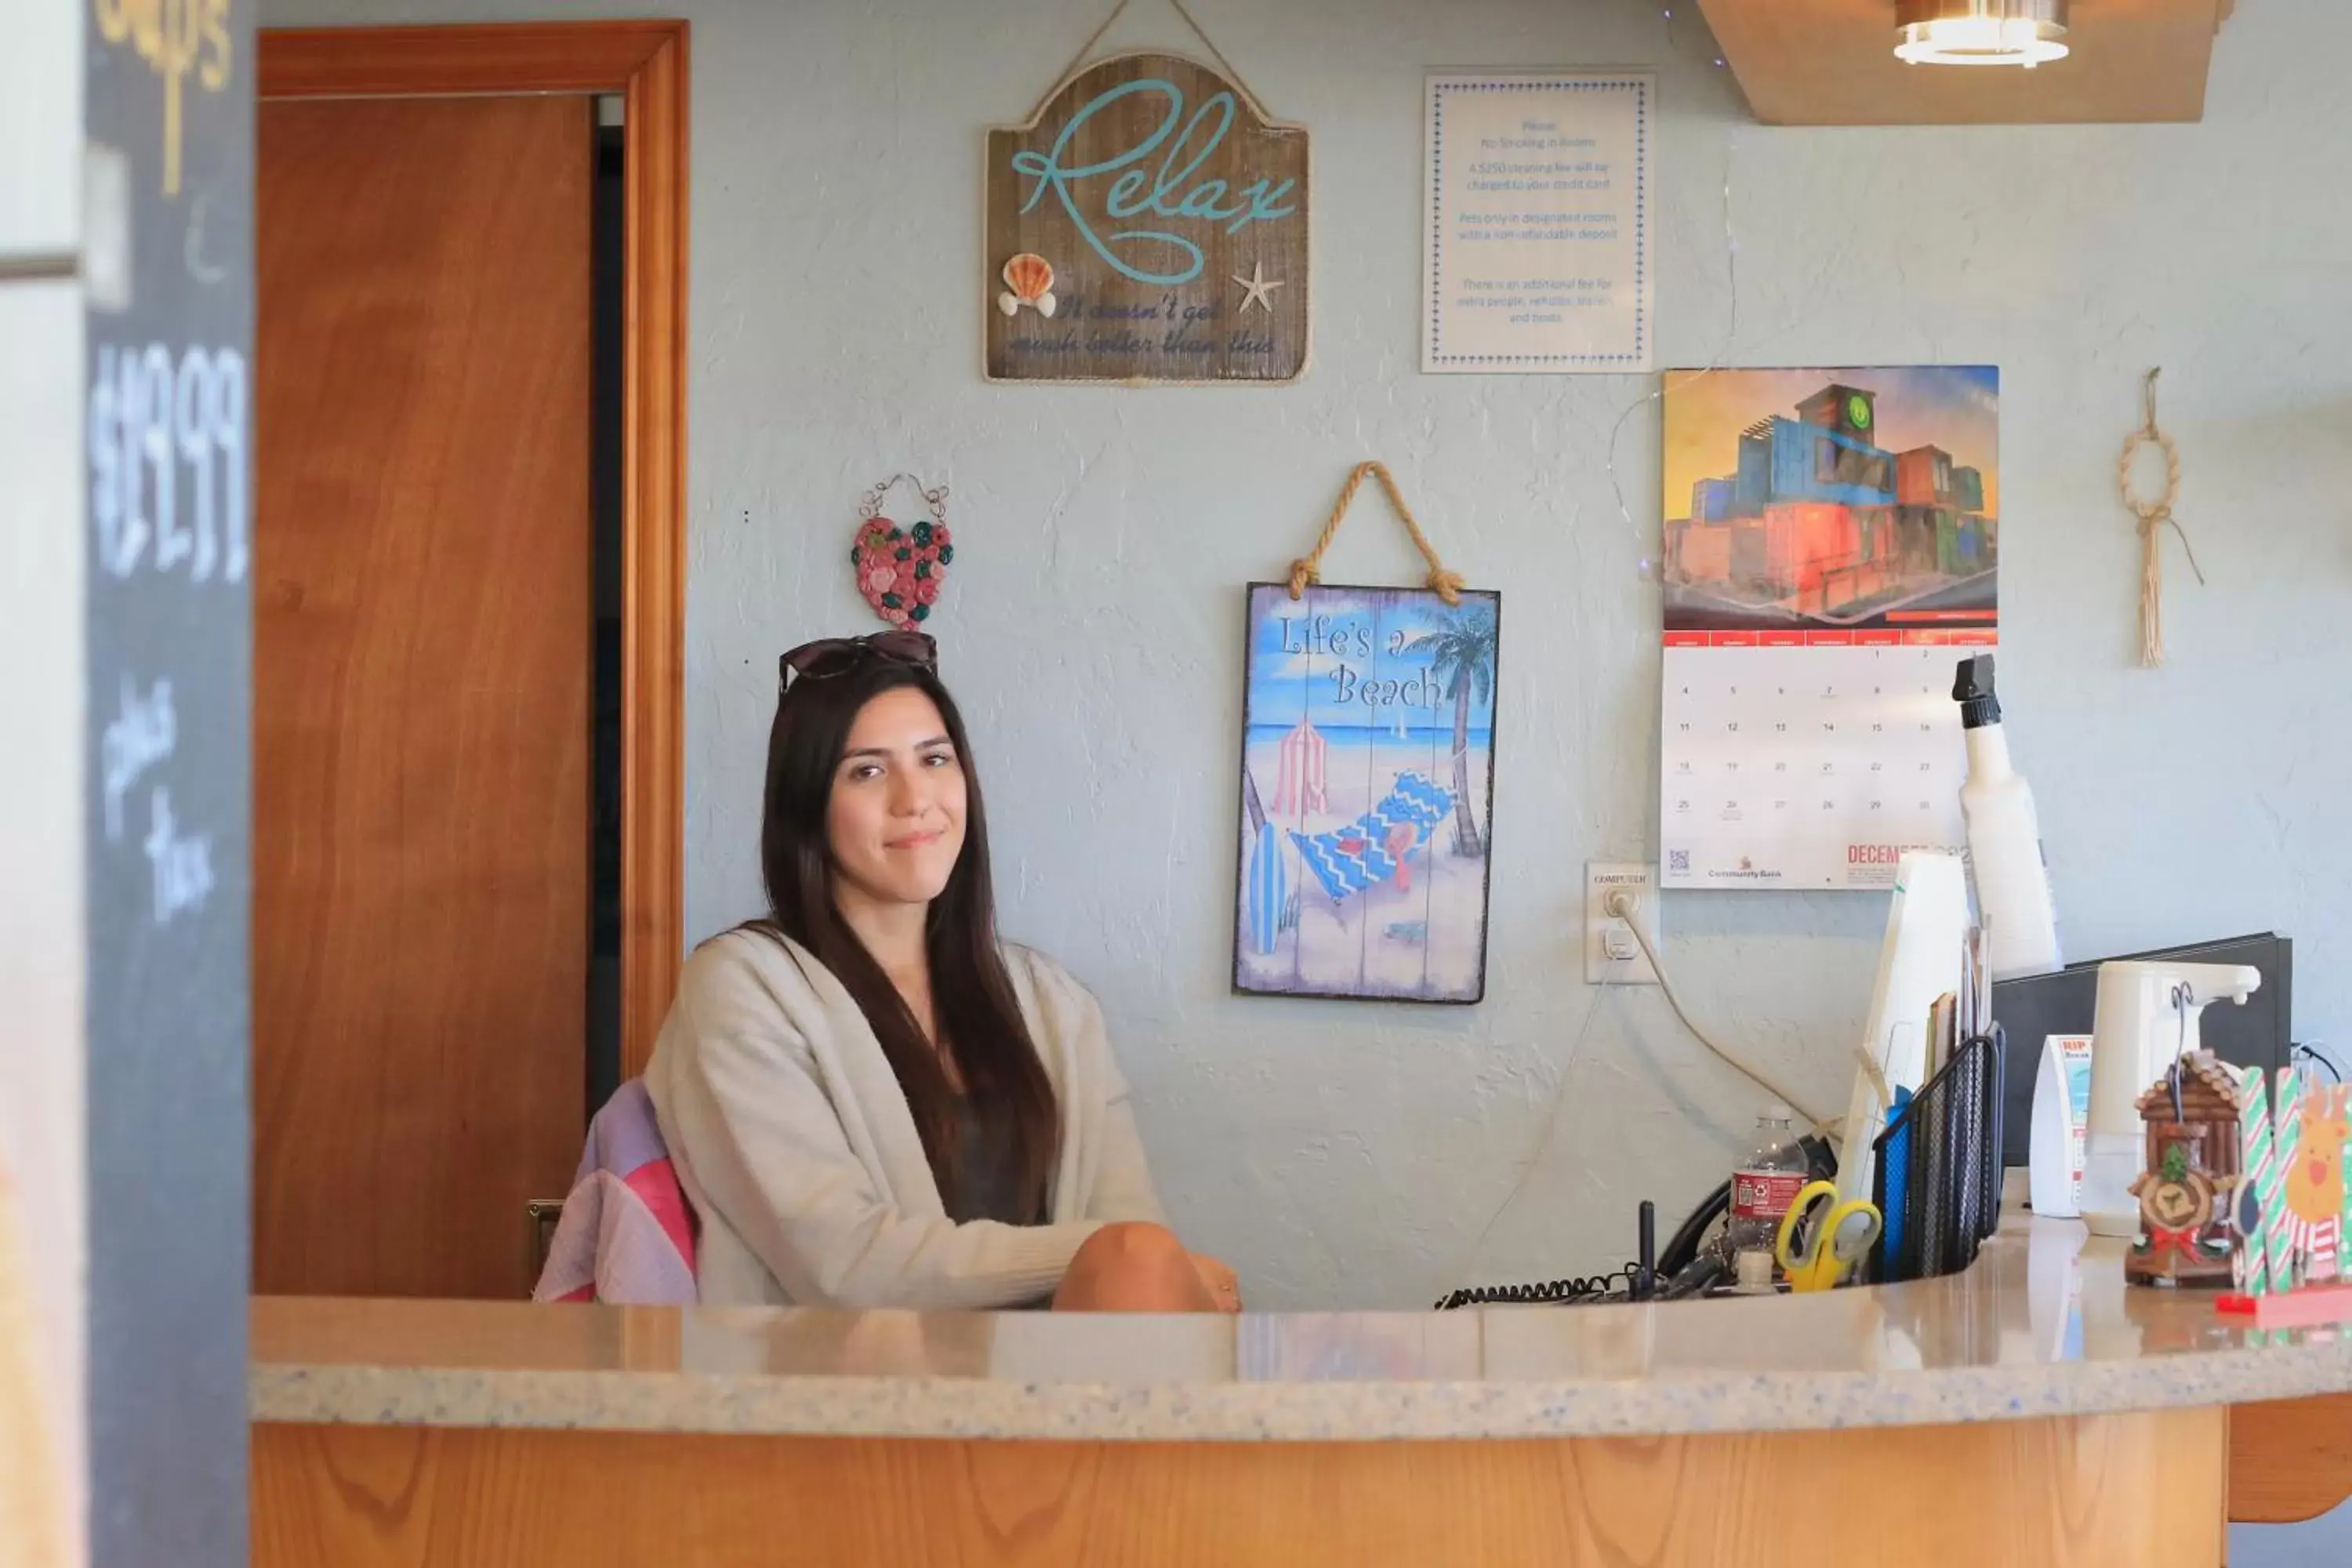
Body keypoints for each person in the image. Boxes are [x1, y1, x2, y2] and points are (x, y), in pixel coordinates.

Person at [644, 630, 1240, 1312]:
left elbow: (1134, 1238)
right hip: (842, 1391)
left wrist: (1138, 1258)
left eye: (935, 759)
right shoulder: (743, 988)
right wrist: (1107, 1251)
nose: (915, 799)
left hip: (1065, 1383)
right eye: (867, 771)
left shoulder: (1053, 1005)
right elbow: (845, 1264)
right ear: (808, 807)